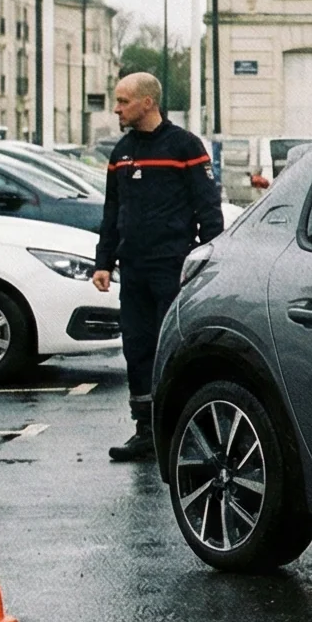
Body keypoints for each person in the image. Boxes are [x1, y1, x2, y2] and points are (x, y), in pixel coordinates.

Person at [92, 73, 224, 463]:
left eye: (123, 101)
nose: (116, 109)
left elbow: (208, 209)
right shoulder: (122, 151)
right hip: (133, 271)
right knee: (137, 349)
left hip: (173, 269)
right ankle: (146, 431)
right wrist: (104, 262)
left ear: (147, 102)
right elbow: (112, 211)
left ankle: (191, 430)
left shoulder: (184, 146)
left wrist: (208, 261)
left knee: (177, 350)